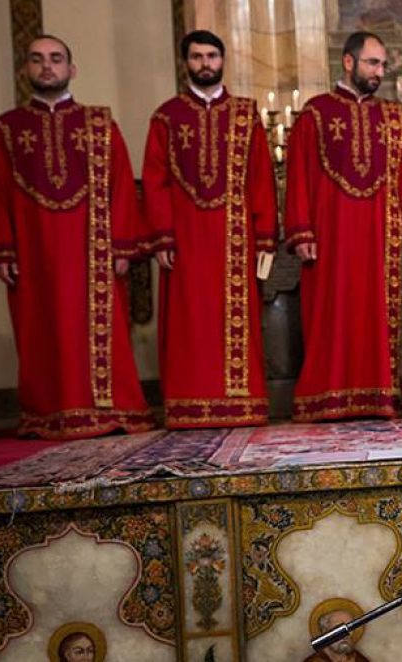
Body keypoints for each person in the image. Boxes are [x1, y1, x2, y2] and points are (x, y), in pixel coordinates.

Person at [0, 35, 153, 439]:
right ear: (26, 68)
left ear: (71, 69)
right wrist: (3, 249)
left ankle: (111, 410)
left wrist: (123, 245)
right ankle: (47, 414)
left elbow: (120, 188)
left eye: (56, 59)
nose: (48, 67)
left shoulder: (99, 125)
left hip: (93, 254)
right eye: (38, 59)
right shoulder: (6, 131)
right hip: (34, 252)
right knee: (41, 329)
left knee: (100, 329)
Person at [142, 30, 277, 428]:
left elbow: (260, 178)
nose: (205, 63)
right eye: (197, 56)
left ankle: (241, 404)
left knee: (236, 319)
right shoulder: (166, 117)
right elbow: (155, 180)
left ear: (222, 61)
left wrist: (265, 234)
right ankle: (187, 406)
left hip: (235, 238)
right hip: (183, 239)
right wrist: (162, 234)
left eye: (212, 56)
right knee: (189, 319)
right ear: (186, 62)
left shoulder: (244, 113)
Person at [284, 31, 402, 420]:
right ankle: (326, 397)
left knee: (375, 312)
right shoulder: (315, 113)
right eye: (373, 63)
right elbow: (299, 175)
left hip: (379, 238)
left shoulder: (392, 117)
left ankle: (379, 397)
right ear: (349, 62)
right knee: (329, 314)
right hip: (329, 237)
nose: (380, 71)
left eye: (383, 65)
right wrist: (301, 229)